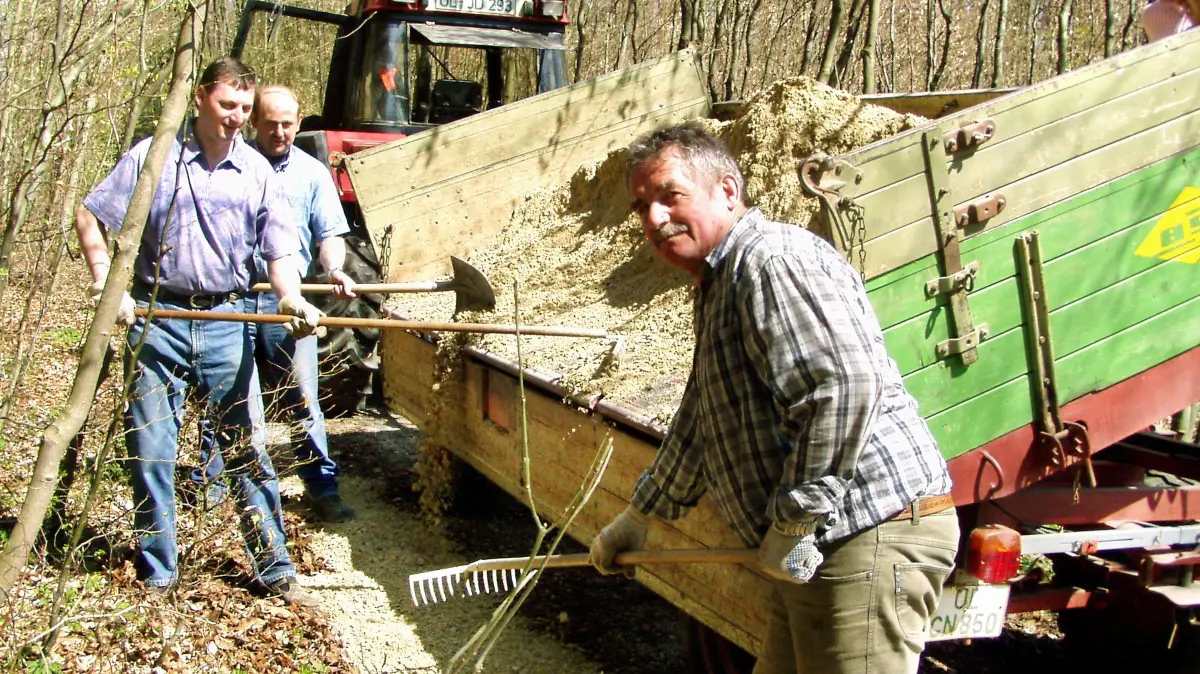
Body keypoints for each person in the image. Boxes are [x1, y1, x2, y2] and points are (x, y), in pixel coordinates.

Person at [587, 122, 959, 673]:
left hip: (867, 533)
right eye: (642, 206)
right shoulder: (722, 281)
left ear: (728, 190)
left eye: (671, 196)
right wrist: (641, 515)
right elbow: (703, 420)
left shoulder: (771, 261)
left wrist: (794, 521)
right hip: (824, 543)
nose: (655, 219)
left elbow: (842, 388)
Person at [75, 57, 324, 606]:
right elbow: (92, 214)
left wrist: (289, 295)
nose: (236, 117)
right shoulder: (154, 157)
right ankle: (159, 571)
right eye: (227, 105)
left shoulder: (257, 170)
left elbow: (278, 247)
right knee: (151, 449)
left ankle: (274, 567)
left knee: (246, 448)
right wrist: (107, 284)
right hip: (156, 321)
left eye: (243, 108)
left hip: (226, 322)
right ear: (201, 100)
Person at [223, 84, 358, 523]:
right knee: (228, 399)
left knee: (303, 399)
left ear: (299, 124)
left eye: (287, 124)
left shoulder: (313, 173)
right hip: (235, 300)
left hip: (290, 302)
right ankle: (218, 492)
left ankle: (322, 487)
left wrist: (335, 268)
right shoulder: (231, 165)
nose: (279, 132)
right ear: (254, 122)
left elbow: (330, 235)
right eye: (271, 123)